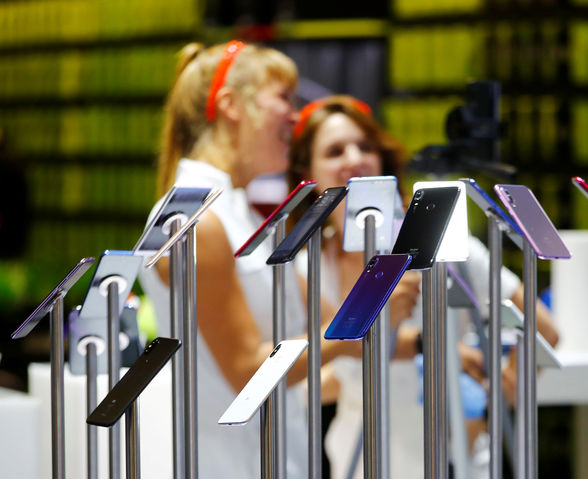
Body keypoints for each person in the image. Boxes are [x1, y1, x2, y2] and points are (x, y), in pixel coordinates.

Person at [288, 95, 558, 478]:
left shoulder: (443, 240)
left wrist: (495, 397)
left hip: (456, 462)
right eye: (334, 151)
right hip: (357, 459)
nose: (354, 159)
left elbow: (543, 328)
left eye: (365, 146)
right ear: (308, 171)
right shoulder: (308, 267)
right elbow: (328, 372)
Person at [137, 41, 360, 478]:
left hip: (279, 455)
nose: (296, 116)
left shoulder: (237, 213)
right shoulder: (193, 219)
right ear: (230, 105)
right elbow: (247, 373)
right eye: (284, 98)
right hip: (231, 464)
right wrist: (350, 338)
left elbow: (331, 319)